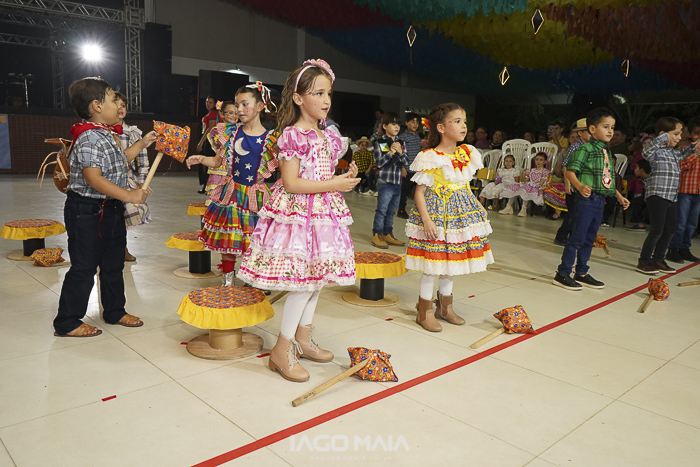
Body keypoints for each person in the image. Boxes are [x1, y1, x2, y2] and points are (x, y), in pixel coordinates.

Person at [237, 59, 360, 382]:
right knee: (302, 284)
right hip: (298, 216)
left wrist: (342, 176)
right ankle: (281, 350)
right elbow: (291, 183)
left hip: (322, 215)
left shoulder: (327, 135)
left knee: (316, 281)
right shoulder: (293, 135)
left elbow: (321, 173)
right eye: (317, 93)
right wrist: (334, 184)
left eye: (328, 93)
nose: (326, 100)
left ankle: (303, 339)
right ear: (297, 98)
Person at [53, 77, 155, 337]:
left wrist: (142, 143)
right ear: (96, 106)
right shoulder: (89, 137)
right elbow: (93, 178)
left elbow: (120, 160)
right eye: (112, 99)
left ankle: (114, 311)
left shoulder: (107, 133)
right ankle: (67, 322)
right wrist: (129, 195)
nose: (118, 105)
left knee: (113, 264)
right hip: (86, 211)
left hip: (110, 209)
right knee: (84, 267)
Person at [405, 102, 493, 332]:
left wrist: (477, 205)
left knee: (450, 264)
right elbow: (419, 192)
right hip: (436, 216)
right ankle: (424, 311)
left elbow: (464, 185)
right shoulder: (430, 156)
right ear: (441, 127)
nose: (463, 126)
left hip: (457, 217)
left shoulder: (466, 153)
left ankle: (445, 308)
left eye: (464, 121)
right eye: (456, 121)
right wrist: (426, 220)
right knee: (432, 265)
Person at [186, 83, 278, 287]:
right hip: (232, 195)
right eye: (237, 105)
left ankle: (252, 281)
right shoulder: (230, 133)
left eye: (245, 104)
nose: (239, 110)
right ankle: (227, 281)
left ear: (260, 106)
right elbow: (217, 161)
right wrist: (201, 159)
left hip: (256, 197)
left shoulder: (271, 139)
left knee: (255, 241)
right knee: (229, 239)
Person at [552, 108, 629, 290]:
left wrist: (618, 195)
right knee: (577, 237)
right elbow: (569, 172)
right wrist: (579, 186)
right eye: (605, 127)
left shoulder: (606, 151)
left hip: (600, 200)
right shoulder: (584, 149)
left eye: (612, 127)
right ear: (592, 129)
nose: (610, 131)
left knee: (590, 238)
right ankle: (562, 273)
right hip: (586, 200)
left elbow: (607, 178)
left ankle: (581, 272)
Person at [636, 117, 700, 274]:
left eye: (680, 134)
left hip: (671, 197)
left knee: (670, 229)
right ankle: (644, 261)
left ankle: (658, 259)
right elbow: (646, 150)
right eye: (676, 134)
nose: (679, 138)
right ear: (663, 135)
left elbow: (683, 154)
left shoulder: (672, 152)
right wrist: (664, 137)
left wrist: (694, 146)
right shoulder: (655, 151)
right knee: (657, 231)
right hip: (657, 195)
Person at [114, 92, 152, 262]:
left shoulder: (133, 133)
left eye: (123, 105)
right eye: (116, 105)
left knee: (123, 216)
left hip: (127, 180)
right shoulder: (102, 132)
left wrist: (143, 183)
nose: (120, 108)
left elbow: (143, 162)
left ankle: (122, 248)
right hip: (106, 180)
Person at [371, 112, 406, 249]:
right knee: (382, 210)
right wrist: (391, 152)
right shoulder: (382, 142)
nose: (397, 127)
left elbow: (406, 162)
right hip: (385, 181)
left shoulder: (401, 143)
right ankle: (377, 234)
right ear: (385, 126)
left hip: (397, 182)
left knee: (391, 211)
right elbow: (380, 163)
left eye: (398, 124)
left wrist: (400, 153)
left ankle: (387, 233)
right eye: (393, 124)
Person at [667, 117, 700, 263]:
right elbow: (678, 166)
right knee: (680, 222)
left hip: (698, 192)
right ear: (689, 133)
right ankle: (673, 249)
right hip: (684, 190)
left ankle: (685, 248)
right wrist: (694, 156)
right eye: (697, 133)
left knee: (692, 223)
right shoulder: (684, 149)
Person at [553, 118, 589, 246]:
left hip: (583, 184)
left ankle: (574, 236)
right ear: (581, 133)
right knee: (572, 213)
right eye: (588, 131)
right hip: (573, 184)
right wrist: (567, 184)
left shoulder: (590, 147)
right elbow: (566, 165)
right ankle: (561, 236)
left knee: (579, 212)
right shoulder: (575, 147)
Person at [203, 100, 238, 204]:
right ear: (222, 114)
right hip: (221, 167)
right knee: (216, 198)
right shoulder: (217, 130)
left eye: (236, 113)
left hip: (236, 167)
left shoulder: (242, 129)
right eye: (230, 113)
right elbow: (220, 144)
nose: (234, 116)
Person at [499, 152, 550, 217]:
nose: (538, 162)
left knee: (527, 189)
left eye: (541, 160)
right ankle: (509, 206)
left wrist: (531, 183)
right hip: (529, 185)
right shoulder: (531, 170)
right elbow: (527, 180)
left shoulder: (545, 171)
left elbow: (541, 182)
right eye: (537, 159)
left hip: (538, 187)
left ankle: (524, 209)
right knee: (516, 187)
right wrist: (525, 183)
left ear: (545, 162)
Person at [397, 112, 422, 219]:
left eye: (417, 122)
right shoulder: (402, 137)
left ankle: (419, 211)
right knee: (405, 190)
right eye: (412, 122)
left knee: (418, 190)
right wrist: (402, 167)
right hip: (407, 168)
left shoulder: (418, 136)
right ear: (406, 123)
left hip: (417, 168)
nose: (415, 124)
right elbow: (399, 153)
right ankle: (401, 210)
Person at [196, 96, 219, 193]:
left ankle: (207, 186)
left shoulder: (214, 113)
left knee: (207, 164)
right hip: (208, 140)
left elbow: (210, 128)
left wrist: (201, 142)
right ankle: (206, 185)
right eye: (207, 102)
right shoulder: (210, 113)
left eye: (210, 102)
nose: (208, 104)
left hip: (209, 141)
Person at [600, 154, 624, 227]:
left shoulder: (617, 177)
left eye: (613, 164)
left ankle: (605, 219)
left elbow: (619, 190)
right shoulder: (599, 174)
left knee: (612, 199)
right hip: (599, 193)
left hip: (611, 194)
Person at [627, 159, 651, 232]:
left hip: (655, 200)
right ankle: (640, 224)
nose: (635, 169)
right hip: (646, 198)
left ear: (641, 170)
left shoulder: (652, 179)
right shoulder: (637, 179)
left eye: (636, 167)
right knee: (636, 201)